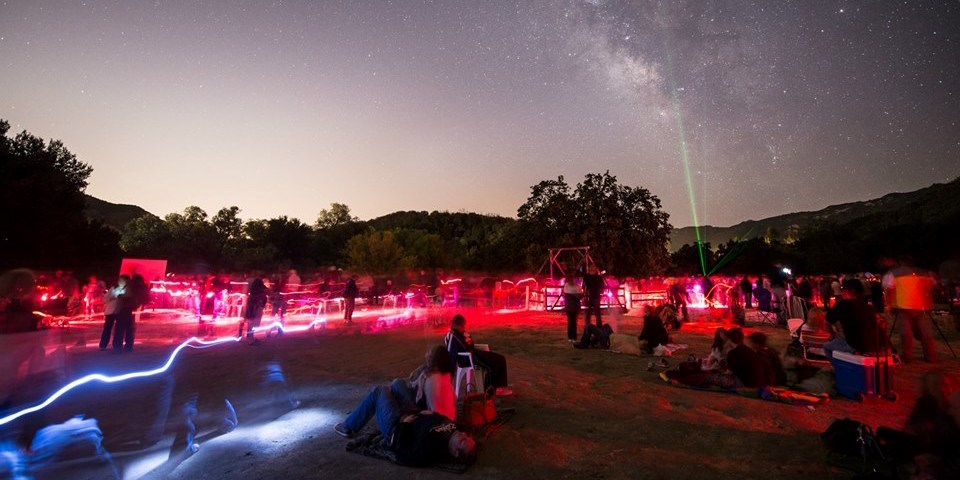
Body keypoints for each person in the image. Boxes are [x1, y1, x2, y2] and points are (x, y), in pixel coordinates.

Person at [333, 385, 477, 467]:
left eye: (463, 441)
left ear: (455, 452)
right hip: (416, 413)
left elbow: (400, 452)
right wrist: (431, 414)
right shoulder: (454, 432)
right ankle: (392, 400)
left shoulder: (429, 451)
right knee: (397, 383)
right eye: (466, 436)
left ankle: (348, 426)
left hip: (396, 425)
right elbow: (444, 419)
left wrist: (404, 425)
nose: (463, 435)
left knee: (379, 391)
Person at [885, 260, 938, 363]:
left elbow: (890, 288)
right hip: (922, 306)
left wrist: (889, 304)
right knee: (925, 332)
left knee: (906, 333)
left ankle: (908, 357)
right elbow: (931, 285)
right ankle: (931, 357)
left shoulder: (894, 273)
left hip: (904, 306)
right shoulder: (923, 272)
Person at [444, 314, 511, 396]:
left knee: (500, 358)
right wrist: (450, 373)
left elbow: (470, 344)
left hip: (475, 353)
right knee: (492, 364)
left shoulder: (461, 333)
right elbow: (451, 355)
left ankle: (500, 387)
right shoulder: (453, 336)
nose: (464, 328)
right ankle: (491, 390)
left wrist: (468, 339)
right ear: (457, 325)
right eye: (463, 326)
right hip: (470, 358)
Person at [823, 279, 886, 361]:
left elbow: (827, 322)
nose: (843, 293)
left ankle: (839, 370)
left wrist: (832, 334)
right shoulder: (868, 307)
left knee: (827, 347)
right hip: (873, 344)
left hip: (854, 345)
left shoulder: (842, 304)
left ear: (850, 291)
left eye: (844, 290)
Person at [399, 345, 456, 421]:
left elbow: (412, 382)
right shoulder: (445, 374)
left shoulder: (430, 378)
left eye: (429, 353)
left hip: (435, 418)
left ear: (433, 359)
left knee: (397, 384)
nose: (426, 354)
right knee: (398, 384)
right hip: (449, 417)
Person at [242, 274, 268, 344]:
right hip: (255, 306)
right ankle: (250, 339)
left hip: (253, 305)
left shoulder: (254, 283)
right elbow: (264, 290)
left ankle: (250, 337)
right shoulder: (258, 283)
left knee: (251, 321)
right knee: (252, 322)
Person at [99, 278, 122, 350]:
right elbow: (108, 298)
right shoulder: (116, 289)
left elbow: (105, 299)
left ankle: (104, 345)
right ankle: (110, 345)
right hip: (114, 311)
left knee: (108, 328)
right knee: (111, 328)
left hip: (112, 311)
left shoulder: (113, 289)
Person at [561, 276, 582, 343]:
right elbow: (580, 296)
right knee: (574, 323)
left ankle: (570, 337)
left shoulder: (566, 286)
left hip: (569, 307)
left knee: (570, 322)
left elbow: (563, 295)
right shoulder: (577, 287)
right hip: (574, 307)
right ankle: (574, 337)